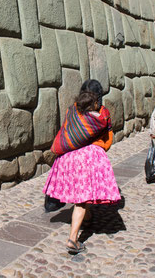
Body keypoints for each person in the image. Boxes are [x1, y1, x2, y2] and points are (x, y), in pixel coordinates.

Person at [43, 80, 120, 254]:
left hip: (68, 158)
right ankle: (73, 238)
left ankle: (87, 217)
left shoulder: (72, 110)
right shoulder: (102, 114)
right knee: (82, 199)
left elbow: (66, 132)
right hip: (88, 159)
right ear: (98, 98)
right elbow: (108, 136)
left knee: (80, 195)